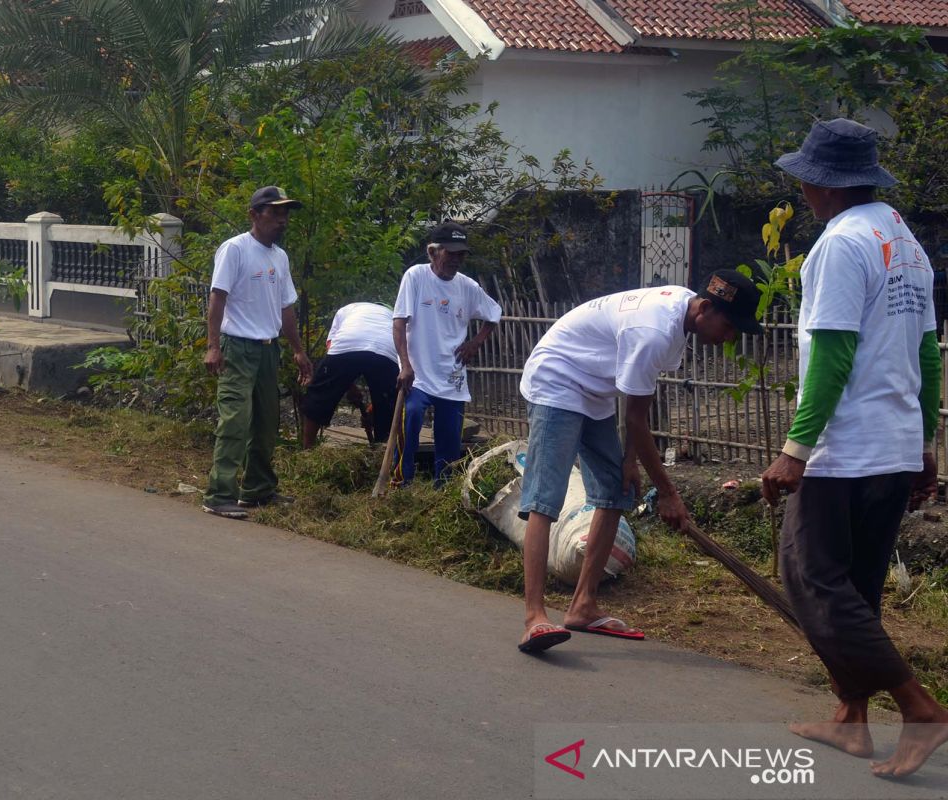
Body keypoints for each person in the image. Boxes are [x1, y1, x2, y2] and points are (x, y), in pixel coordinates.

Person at [761, 118, 947, 779]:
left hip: (847, 447)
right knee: (857, 588)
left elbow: (834, 355)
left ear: (822, 185)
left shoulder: (838, 245)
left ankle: (918, 707)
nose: (803, 191)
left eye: (805, 181)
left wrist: (795, 449)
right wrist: (924, 441)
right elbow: (927, 351)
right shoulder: (907, 241)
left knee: (810, 578)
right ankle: (851, 718)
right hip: (894, 442)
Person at [516, 272, 764, 653]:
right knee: (545, 498)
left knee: (616, 489)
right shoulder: (654, 331)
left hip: (594, 386)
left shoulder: (682, 313)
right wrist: (667, 492)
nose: (729, 338)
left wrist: (630, 462)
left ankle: (583, 606)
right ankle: (535, 617)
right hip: (559, 378)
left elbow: (636, 407)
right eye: (729, 326)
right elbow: (635, 419)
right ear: (706, 308)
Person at [202, 186, 314, 519]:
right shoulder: (235, 249)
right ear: (254, 214)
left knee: (267, 424)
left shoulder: (279, 256)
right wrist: (211, 346)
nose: (282, 220)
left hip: (268, 350)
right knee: (236, 420)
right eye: (275, 212)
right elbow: (217, 298)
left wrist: (297, 350)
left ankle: (257, 490)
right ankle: (219, 494)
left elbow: (286, 308)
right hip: (237, 348)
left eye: (286, 214)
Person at [392, 221, 501, 487]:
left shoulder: (468, 287)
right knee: (412, 418)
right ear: (433, 252)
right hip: (418, 373)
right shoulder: (416, 276)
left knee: (450, 438)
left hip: (451, 375)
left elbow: (494, 314)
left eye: (461, 254)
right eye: (450, 253)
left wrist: (475, 342)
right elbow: (399, 322)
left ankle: (443, 489)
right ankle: (401, 482)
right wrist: (405, 365)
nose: (456, 259)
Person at [300, 302, 399, 448]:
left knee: (319, 395)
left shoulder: (346, 310)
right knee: (388, 404)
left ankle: (307, 449)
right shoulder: (393, 316)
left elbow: (331, 348)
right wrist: (354, 390)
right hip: (386, 349)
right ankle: (383, 452)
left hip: (348, 342)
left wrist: (348, 386)